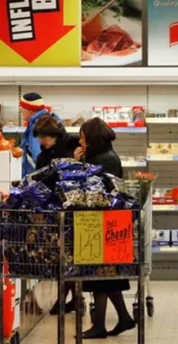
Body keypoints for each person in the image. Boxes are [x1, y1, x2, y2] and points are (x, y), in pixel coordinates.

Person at [77, 118, 136, 339]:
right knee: (104, 276)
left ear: (91, 138)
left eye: (83, 137)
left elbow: (97, 190)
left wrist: (81, 165)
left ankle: (100, 325)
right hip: (102, 221)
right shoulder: (100, 157)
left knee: (99, 275)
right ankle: (123, 317)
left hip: (105, 222)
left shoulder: (106, 160)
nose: (81, 140)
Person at [32, 115, 83, 314]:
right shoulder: (42, 156)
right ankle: (75, 298)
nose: (42, 141)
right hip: (54, 211)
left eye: (46, 137)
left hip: (74, 208)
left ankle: (65, 299)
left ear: (56, 135)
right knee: (63, 257)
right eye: (39, 137)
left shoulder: (73, 144)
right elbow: (39, 179)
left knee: (70, 256)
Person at [19, 92, 58, 176]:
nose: (20, 110)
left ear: (29, 109)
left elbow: (37, 154)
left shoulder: (37, 126)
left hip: (37, 177)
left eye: (22, 108)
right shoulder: (50, 120)